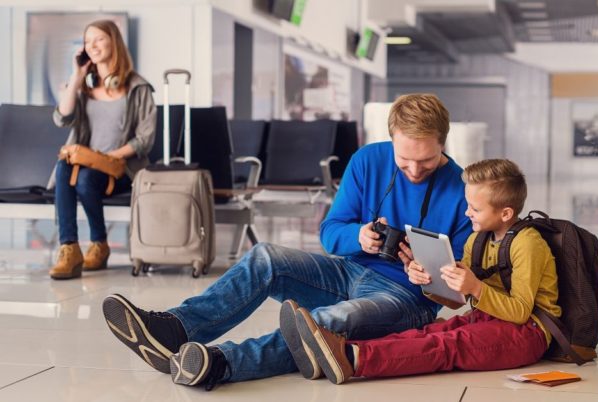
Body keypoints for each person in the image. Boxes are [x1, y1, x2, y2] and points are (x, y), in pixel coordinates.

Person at [102, 94, 473, 391]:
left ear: (443, 142)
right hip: (349, 270)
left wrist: (427, 275)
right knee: (265, 257)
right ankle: (176, 329)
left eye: (425, 161)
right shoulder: (367, 161)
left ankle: (220, 363)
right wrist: (358, 235)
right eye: (404, 159)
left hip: (404, 297)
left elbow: (456, 291)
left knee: (332, 320)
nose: (413, 171)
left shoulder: (461, 189)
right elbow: (330, 233)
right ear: (391, 139)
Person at [280, 159, 561, 384]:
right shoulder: (479, 238)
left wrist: (475, 287)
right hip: (488, 317)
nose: (467, 214)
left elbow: (521, 311)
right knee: (429, 331)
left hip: (530, 332)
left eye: (475, 208)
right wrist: (429, 280)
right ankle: (337, 352)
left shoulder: (527, 244)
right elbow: (456, 301)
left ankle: (352, 358)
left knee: (448, 344)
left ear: (506, 213)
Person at [50, 19, 156, 280]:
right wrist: (75, 77)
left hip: (122, 170)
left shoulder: (138, 88)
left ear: (114, 41)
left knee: (85, 180)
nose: (92, 45)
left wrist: (106, 158)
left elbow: (145, 139)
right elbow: (61, 118)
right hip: (85, 165)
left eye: (98, 39)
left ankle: (99, 243)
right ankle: (69, 248)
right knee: (65, 165)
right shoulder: (84, 86)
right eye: (87, 41)